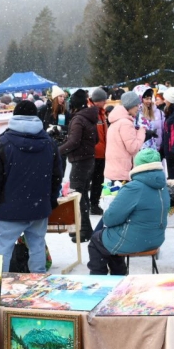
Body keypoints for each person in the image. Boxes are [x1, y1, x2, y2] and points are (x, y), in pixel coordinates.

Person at [0, 101, 63, 273]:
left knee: (3, 249)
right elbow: (57, 175)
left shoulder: (3, 143)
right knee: (37, 246)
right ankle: (38, 282)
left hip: (11, 209)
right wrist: (52, 198)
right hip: (38, 207)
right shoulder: (49, 143)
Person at [87, 149, 170, 275]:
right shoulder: (162, 186)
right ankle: (119, 275)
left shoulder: (134, 187)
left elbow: (110, 219)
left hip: (137, 240)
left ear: (137, 165)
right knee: (110, 237)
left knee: (96, 240)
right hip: (155, 239)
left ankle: (101, 280)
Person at [59, 90, 99, 242]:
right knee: (83, 197)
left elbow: (74, 142)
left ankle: (82, 230)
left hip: (81, 161)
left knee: (78, 196)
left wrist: (58, 150)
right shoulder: (89, 117)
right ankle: (85, 229)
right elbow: (95, 139)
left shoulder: (78, 119)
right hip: (89, 159)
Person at [104, 92, 146, 183]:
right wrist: (142, 132)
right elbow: (133, 148)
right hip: (123, 172)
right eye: (136, 105)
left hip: (114, 171)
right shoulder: (125, 123)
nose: (138, 108)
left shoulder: (116, 120)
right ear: (130, 105)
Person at [89, 87, 109, 216]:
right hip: (94, 153)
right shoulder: (91, 113)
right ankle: (91, 204)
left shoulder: (102, 113)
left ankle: (94, 204)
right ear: (98, 101)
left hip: (102, 152)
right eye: (104, 100)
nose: (106, 102)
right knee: (92, 181)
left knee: (98, 180)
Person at [140, 87, 164, 151]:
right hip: (142, 152)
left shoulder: (159, 113)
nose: (149, 101)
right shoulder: (137, 115)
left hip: (158, 150)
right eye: (146, 99)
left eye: (150, 98)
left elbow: (163, 130)